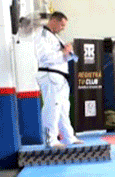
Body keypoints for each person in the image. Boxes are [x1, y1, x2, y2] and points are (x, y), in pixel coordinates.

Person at [35, 11, 81, 147]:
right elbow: (44, 57)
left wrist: (68, 52)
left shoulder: (56, 37)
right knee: (52, 107)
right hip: (49, 74)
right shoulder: (42, 35)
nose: (63, 28)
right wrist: (63, 52)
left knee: (63, 108)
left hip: (61, 76)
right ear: (53, 21)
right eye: (61, 24)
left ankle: (68, 137)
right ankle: (50, 139)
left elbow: (63, 56)